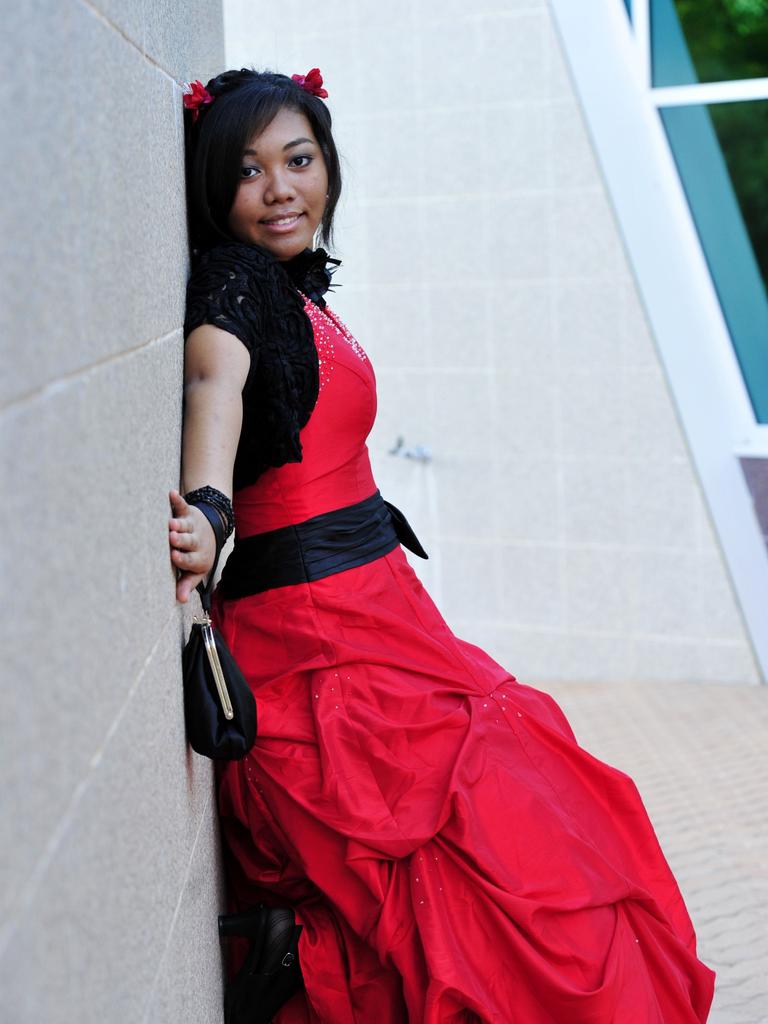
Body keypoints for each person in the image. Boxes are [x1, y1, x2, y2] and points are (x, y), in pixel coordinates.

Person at [169, 66, 715, 1023]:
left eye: (298, 161)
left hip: (384, 616)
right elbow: (215, 376)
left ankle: (297, 957)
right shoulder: (238, 279)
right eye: (249, 171)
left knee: (527, 832)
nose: (280, 188)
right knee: (452, 872)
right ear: (215, 188)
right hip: (316, 638)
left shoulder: (304, 292)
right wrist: (210, 507)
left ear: (328, 167)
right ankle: (296, 962)